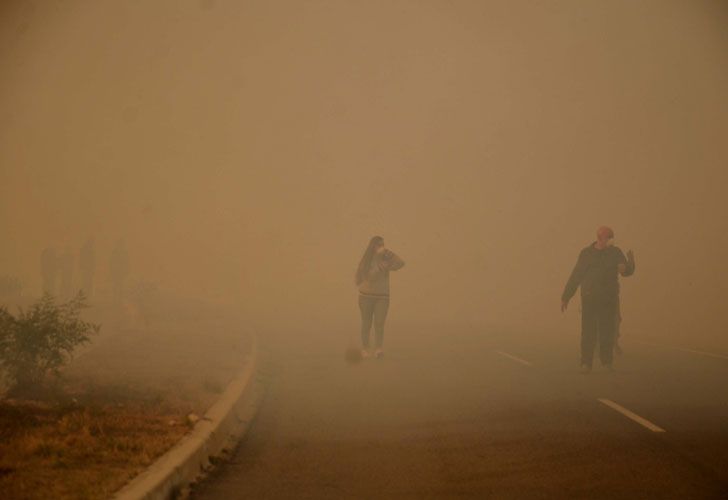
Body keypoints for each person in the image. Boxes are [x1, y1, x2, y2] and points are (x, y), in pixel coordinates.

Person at [561, 226, 635, 373]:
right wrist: (566, 296)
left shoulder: (615, 252)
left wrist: (628, 265)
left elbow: (627, 271)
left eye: (612, 236)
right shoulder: (587, 254)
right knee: (588, 332)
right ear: (600, 238)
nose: (612, 239)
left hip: (609, 299)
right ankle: (586, 363)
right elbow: (576, 275)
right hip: (590, 299)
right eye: (610, 236)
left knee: (607, 331)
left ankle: (607, 362)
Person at [355, 236, 405, 359]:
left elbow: (400, 263)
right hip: (366, 296)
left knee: (379, 323)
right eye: (378, 245)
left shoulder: (386, 258)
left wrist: (390, 254)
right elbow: (370, 277)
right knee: (366, 323)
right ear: (372, 246)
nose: (381, 247)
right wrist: (381, 266)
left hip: (382, 296)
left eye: (382, 244)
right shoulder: (366, 260)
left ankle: (378, 348)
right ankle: (365, 348)